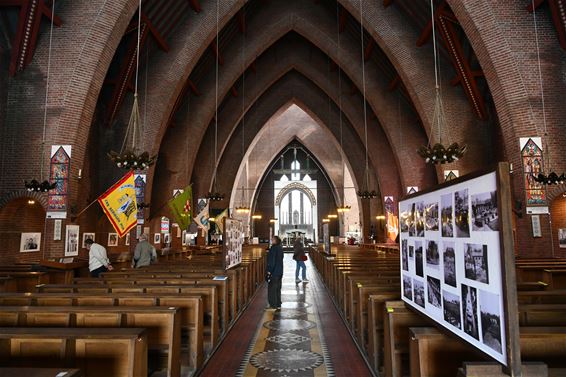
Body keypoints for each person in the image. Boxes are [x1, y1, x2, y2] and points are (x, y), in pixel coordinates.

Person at [266, 235, 284, 310]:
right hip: (280, 271)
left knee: (272, 289)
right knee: (278, 288)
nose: (271, 240)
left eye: (272, 239)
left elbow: (272, 262)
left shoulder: (273, 249)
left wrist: (269, 271)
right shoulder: (280, 248)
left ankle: (273, 305)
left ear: (275, 241)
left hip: (274, 272)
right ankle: (278, 303)